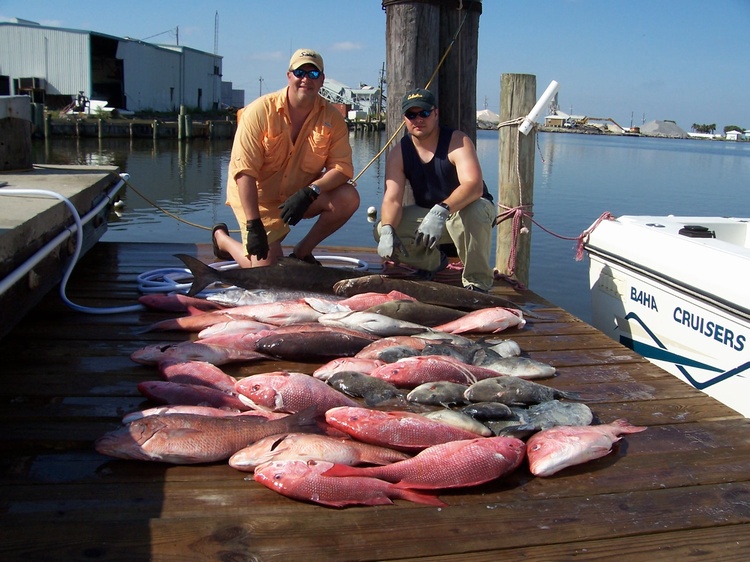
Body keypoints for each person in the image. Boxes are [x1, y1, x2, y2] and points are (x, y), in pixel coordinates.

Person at [212, 48, 358, 267]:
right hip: (256, 199)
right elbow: (244, 173)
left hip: (297, 197)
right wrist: (253, 225)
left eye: (313, 74)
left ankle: (301, 253)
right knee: (265, 270)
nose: (306, 79)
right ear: (289, 75)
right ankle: (222, 240)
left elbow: (343, 168)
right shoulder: (259, 111)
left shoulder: (333, 118)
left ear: (322, 80)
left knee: (349, 197)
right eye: (300, 72)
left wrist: (311, 191)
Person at [374, 88, 496, 292]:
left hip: (467, 213)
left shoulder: (457, 141)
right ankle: (431, 263)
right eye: (411, 115)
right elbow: (392, 199)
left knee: (473, 211)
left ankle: (478, 283)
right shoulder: (399, 152)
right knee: (381, 228)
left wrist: (442, 210)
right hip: (428, 219)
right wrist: (388, 230)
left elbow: (473, 186)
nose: (418, 119)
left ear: (436, 113)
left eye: (424, 113)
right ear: (404, 118)